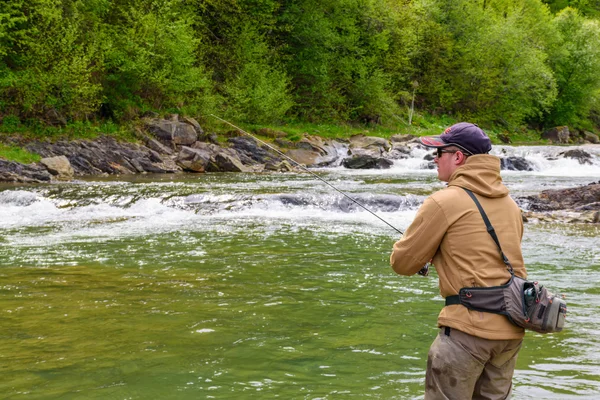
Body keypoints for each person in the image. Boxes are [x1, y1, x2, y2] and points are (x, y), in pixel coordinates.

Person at [390, 122, 526, 400]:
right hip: (511, 331)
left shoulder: (444, 201)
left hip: (467, 332)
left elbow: (402, 263)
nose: (435, 159)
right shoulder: (510, 205)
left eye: (439, 152)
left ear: (459, 157)